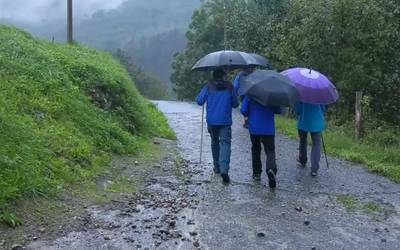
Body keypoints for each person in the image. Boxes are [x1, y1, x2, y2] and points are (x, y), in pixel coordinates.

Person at [197, 69, 239, 184]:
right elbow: (236, 104)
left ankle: (217, 167)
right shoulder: (230, 87)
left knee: (214, 142)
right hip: (225, 122)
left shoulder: (208, 86)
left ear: (213, 76)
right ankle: (224, 169)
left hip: (212, 121)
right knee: (225, 143)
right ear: (223, 76)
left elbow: (199, 101)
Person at [241, 96, 281, 188]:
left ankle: (257, 173)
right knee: (270, 150)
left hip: (254, 127)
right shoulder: (272, 93)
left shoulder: (251, 92)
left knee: (255, 148)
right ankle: (271, 169)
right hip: (268, 128)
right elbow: (278, 110)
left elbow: (243, 110)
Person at [294, 102, 327, 176]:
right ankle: (314, 169)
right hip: (316, 122)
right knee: (316, 144)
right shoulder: (319, 94)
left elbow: (297, 111)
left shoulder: (302, 94)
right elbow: (323, 109)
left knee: (302, 141)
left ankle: (302, 160)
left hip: (303, 121)